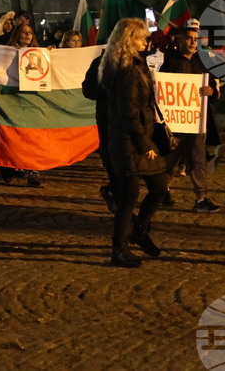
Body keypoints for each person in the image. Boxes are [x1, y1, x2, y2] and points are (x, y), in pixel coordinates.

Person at [100, 17, 168, 268]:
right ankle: (118, 249)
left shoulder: (134, 65)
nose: (146, 41)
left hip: (138, 139)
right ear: (129, 40)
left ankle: (139, 231)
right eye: (141, 37)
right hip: (129, 143)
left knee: (160, 187)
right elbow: (128, 113)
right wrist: (144, 144)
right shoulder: (126, 70)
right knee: (129, 197)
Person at [160, 25, 221, 213]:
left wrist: (212, 92)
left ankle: (201, 198)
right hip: (176, 122)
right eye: (189, 38)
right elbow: (162, 90)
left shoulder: (202, 63)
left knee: (197, 160)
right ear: (179, 40)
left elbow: (213, 89)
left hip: (196, 121)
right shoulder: (170, 63)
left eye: (195, 38)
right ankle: (162, 191)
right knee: (170, 160)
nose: (193, 42)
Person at [0, 23, 43, 187]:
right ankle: (8, 167)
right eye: (24, 32)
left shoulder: (39, 54)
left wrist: (50, 54)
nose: (27, 34)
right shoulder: (6, 52)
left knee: (33, 137)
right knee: (14, 136)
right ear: (17, 34)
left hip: (31, 99)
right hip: (13, 97)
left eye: (30, 32)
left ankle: (33, 172)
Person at [82, 49, 116, 214]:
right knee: (112, 158)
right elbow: (87, 89)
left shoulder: (136, 61)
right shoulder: (99, 63)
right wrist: (108, 91)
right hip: (108, 118)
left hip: (130, 120)